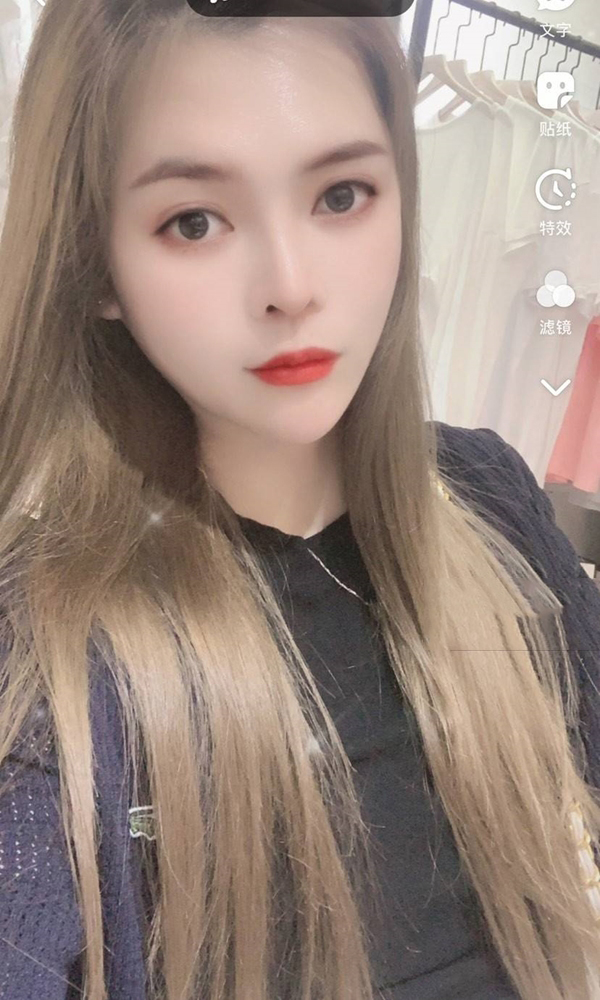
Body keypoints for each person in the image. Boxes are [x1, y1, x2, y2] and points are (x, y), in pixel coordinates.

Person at [0, 2, 599, 999]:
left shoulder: (488, 500)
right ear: (95, 264)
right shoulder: (47, 643)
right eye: (195, 221)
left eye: (341, 195)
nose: (291, 285)